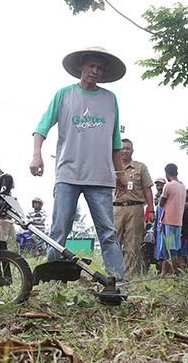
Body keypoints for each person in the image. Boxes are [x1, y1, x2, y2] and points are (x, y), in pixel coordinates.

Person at [30, 46, 128, 280]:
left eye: (100, 68)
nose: (95, 71)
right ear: (81, 68)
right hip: (68, 174)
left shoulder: (109, 99)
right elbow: (41, 128)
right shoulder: (64, 95)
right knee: (58, 230)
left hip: (100, 177)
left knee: (108, 233)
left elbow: (116, 142)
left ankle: (118, 282)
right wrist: (37, 155)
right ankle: (51, 281)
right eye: (91, 66)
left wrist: (121, 173)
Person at [112, 138, 154, 278]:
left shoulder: (140, 167)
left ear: (132, 150)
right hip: (115, 209)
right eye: (122, 148)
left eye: (127, 148)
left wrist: (151, 210)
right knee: (113, 241)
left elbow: (148, 189)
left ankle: (129, 276)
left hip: (135, 208)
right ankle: (112, 274)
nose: (124, 151)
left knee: (133, 243)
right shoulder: (111, 167)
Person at [157, 163, 186, 276]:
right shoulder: (182, 186)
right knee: (176, 248)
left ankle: (172, 272)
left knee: (168, 249)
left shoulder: (168, 185)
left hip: (168, 220)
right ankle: (169, 272)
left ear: (167, 173)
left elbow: (162, 202)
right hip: (178, 221)